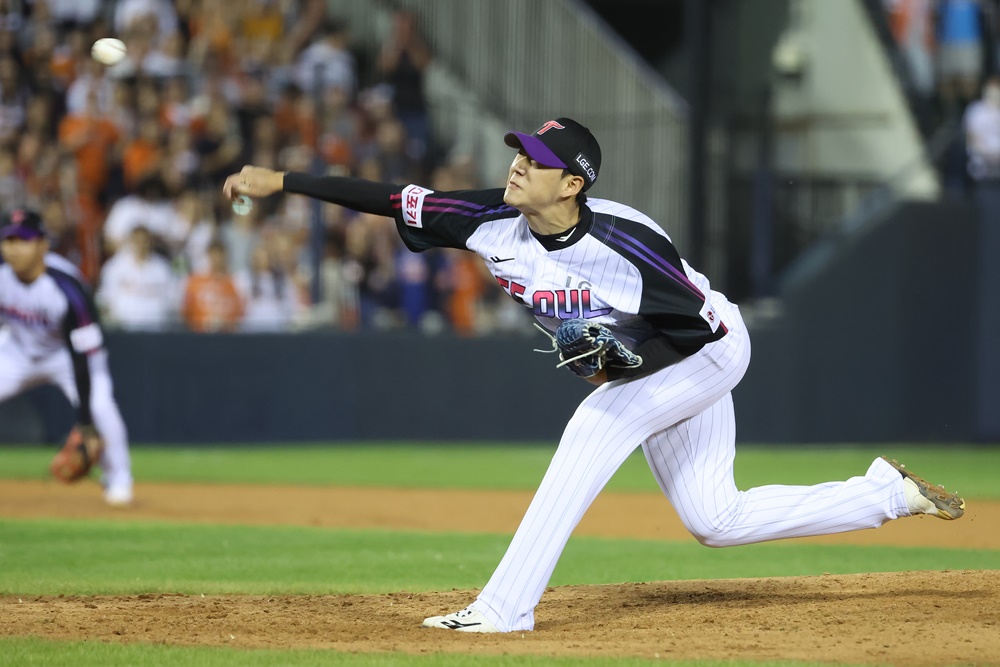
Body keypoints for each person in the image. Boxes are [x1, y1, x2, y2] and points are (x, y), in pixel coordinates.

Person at [223, 117, 966, 633]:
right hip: (667, 355)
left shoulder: (624, 242)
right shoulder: (486, 218)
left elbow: (696, 327)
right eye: (518, 151)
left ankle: (506, 606)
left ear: (572, 184)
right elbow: (391, 198)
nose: (516, 164)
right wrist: (281, 179)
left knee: (595, 426)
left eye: (536, 161)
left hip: (706, 346)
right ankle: (885, 494)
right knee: (716, 519)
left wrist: (625, 366)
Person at [0, 209, 133, 505]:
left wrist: (85, 423)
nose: (13, 248)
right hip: (17, 352)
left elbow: (82, 356)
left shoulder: (67, 287)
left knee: (101, 407)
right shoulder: (2, 275)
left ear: (43, 245)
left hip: (67, 357)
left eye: (23, 240)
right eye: (8, 240)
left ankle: (119, 479)